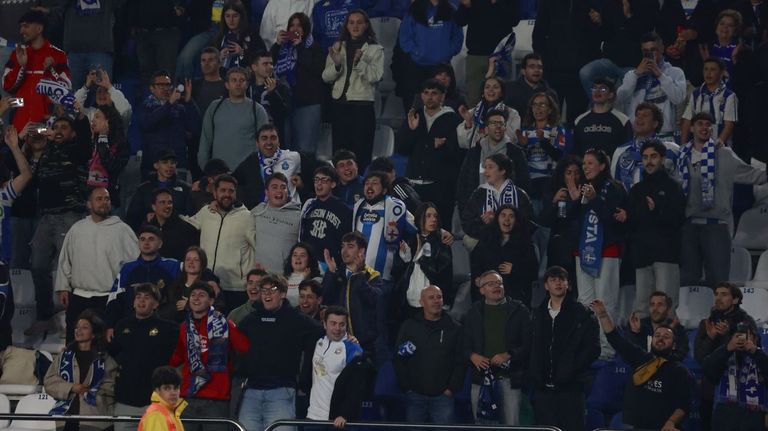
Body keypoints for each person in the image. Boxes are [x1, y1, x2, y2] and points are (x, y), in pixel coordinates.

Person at [678, 113, 766, 287]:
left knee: (718, 280)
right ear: (692, 128)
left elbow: (752, 175)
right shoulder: (681, 156)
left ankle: (720, 315)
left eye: (708, 124)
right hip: (688, 226)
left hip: (716, 225)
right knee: (687, 279)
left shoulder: (724, 154)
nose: (705, 127)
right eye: (700, 124)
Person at [25, 114, 91, 337]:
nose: (59, 130)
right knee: (38, 266)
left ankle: (74, 323)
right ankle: (45, 317)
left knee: (70, 271)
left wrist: (78, 117)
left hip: (69, 215)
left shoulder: (78, 150)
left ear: (73, 133)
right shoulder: (47, 152)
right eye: (57, 127)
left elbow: (85, 140)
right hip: (46, 218)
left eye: (65, 127)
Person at [236, 274, 324, 431]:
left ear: (283, 293)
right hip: (251, 392)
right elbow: (234, 339)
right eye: (264, 290)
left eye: (272, 290)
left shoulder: (296, 319)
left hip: (282, 392)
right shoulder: (251, 319)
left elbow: (322, 332)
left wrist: (348, 337)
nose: (267, 294)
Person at [591, 299, 693, 431]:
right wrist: (603, 315)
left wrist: (671, 423)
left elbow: (684, 405)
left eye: (666, 337)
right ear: (652, 341)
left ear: (674, 346)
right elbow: (615, 339)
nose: (660, 338)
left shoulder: (680, 371)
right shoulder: (640, 358)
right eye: (657, 335)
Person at [55, 188, 138, 342]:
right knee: (73, 342)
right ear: (89, 204)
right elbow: (65, 260)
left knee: (106, 343)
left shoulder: (122, 230)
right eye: (99, 199)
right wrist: (63, 287)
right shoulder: (77, 229)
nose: (104, 202)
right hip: (80, 297)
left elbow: (134, 263)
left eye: (106, 199)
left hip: (109, 298)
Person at [168, 281, 249, 431]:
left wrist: (227, 325)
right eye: (193, 295)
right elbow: (177, 357)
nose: (196, 298)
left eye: (201, 295)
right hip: (188, 396)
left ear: (211, 301)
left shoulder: (223, 324)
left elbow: (244, 347)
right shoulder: (184, 327)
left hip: (216, 398)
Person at [614, 140, 685, 310]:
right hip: (642, 256)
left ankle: (667, 337)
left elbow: (678, 220)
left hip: (666, 255)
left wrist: (656, 210)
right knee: (643, 307)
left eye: (653, 157)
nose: (649, 161)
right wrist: (626, 218)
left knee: (665, 307)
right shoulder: (637, 190)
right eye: (645, 157)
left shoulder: (673, 187)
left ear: (662, 159)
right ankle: (644, 338)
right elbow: (632, 223)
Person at [530, 266, 600, 431]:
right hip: (543, 390)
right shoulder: (537, 314)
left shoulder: (582, 314)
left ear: (568, 284)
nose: (558, 283)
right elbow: (531, 347)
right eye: (553, 280)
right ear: (546, 286)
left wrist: (571, 369)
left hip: (571, 390)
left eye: (562, 279)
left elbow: (593, 348)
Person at [572, 149, 627, 358]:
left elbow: (613, 220)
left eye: (590, 163)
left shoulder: (614, 188)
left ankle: (606, 350)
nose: (585, 166)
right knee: (584, 302)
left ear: (603, 166)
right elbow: (571, 220)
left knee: (605, 301)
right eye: (583, 163)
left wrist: (594, 200)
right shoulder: (582, 188)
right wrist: (575, 200)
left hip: (607, 251)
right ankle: (587, 347)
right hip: (582, 251)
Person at [462, 270, 531, 425]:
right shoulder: (473, 313)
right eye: (491, 283)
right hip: (480, 380)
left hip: (509, 379)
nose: (496, 286)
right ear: (481, 290)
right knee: (481, 426)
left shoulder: (519, 311)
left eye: (499, 282)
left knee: (512, 425)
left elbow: (529, 343)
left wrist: (508, 355)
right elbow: (463, 344)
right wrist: (473, 356)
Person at [109, 284, 179, 431]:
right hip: (125, 400)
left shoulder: (169, 329)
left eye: (147, 297)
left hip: (156, 400)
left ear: (156, 304)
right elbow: (113, 355)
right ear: (133, 302)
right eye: (138, 297)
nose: (142, 301)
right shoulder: (122, 326)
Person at [184, 175, 256, 313]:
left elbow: (258, 246)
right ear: (215, 192)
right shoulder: (206, 212)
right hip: (207, 285)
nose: (227, 195)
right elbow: (188, 224)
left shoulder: (247, 217)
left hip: (235, 288)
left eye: (231, 191)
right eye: (223, 190)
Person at [322, 9, 384, 170]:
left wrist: (360, 63)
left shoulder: (375, 49)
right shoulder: (337, 46)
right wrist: (336, 65)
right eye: (351, 22)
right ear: (346, 26)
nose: (355, 26)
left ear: (366, 25)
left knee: (361, 154)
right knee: (339, 153)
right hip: (339, 107)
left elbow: (375, 76)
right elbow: (326, 77)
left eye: (359, 22)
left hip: (361, 108)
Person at [396, 79, 462, 227]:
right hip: (414, 186)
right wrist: (411, 130)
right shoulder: (414, 116)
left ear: (443, 96)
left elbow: (457, 153)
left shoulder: (453, 119)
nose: (430, 97)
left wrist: (441, 146)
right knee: (413, 230)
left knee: (441, 230)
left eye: (434, 93)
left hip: (441, 188)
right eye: (426, 93)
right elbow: (401, 148)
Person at [394, 285, 465, 424]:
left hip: (443, 398)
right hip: (414, 396)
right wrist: (406, 388)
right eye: (431, 297)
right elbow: (398, 358)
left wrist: (451, 389)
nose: (436, 301)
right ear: (421, 302)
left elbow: (461, 361)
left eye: (439, 297)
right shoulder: (409, 326)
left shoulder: (454, 328)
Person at [694, 282, 755, 431]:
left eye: (724, 294)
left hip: (736, 388)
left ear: (735, 300)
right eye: (716, 294)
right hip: (710, 386)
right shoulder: (707, 323)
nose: (718, 298)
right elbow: (700, 357)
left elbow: (747, 354)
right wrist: (711, 338)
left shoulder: (746, 322)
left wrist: (727, 335)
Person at [44, 310, 117, 431]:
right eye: (77, 327)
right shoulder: (64, 356)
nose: (79, 330)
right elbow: (49, 382)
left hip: (94, 418)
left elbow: (111, 385)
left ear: (93, 334)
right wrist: (72, 387)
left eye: (84, 327)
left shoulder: (104, 358)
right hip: (66, 418)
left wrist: (94, 393)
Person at [104, 225, 183, 330]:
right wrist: (110, 326)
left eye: (151, 239)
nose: (146, 243)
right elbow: (114, 299)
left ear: (160, 244)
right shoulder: (127, 268)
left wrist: (211, 281)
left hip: (163, 325)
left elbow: (198, 268)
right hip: (131, 325)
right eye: (142, 239)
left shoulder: (173, 266)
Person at [3, 10, 71, 131]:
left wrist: (51, 70)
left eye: (26, 26)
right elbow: (7, 86)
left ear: (39, 28)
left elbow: (66, 89)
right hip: (19, 127)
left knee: (41, 145)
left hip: (44, 128)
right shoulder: (17, 54)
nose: (21, 31)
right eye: (21, 27)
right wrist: (21, 66)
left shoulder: (59, 55)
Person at [306, 306, 372, 426]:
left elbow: (357, 386)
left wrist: (345, 414)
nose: (337, 328)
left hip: (336, 420)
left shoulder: (353, 349)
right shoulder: (318, 341)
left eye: (342, 324)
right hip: (312, 416)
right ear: (325, 324)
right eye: (333, 323)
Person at [455, 109, 529, 215]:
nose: (498, 126)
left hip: (506, 215)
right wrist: (466, 211)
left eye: (501, 123)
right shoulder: (474, 153)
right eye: (493, 123)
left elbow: (524, 183)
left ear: (505, 127)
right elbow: (463, 184)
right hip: (477, 213)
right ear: (486, 128)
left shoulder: (515, 153)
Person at [322, 232, 383, 358]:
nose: (344, 251)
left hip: (364, 344)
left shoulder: (373, 276)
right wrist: (331, 273)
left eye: (350, 246)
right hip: (337, 340)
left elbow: (373, 300)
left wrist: (359, 275)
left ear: (361, 251)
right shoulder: (336, 273)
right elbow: (326, 298)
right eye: (343, 246)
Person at [394, 0, 463, 112]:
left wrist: (448, 52)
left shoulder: (451, 10)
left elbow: (457, 36)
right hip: (417, 66)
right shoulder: (414, 9)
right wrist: (416, 52)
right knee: (414, 106)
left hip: (441, 66)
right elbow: (405, 36)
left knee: (442, 105)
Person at [616, 32, 687, 138]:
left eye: (653, 50)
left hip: (664, 134)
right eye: (646, 51)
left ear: (662, 49)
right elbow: (620, 98)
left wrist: (660, 74)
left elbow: (678, 99)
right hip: (637, 134)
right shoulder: (632, 75)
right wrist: (636, 75)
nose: (650, 54)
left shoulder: (674, 72)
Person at [198, 67, 270, 171]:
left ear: (247, 84)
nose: (238, 84)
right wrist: (205, 167)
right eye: (234, 80)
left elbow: (265, 143)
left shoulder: (257, 110)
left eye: (241, 80)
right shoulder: (215, 107)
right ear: (227, 85)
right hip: (219, 172)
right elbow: (206, 139)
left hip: (248, 173)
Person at [702, 318, 768, 431]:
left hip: (754, 420)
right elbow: (708, 371)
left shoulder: (762, 355)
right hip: (725, 418)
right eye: (737, 335)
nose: (741, 339)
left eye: (746, 335)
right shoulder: (723, 354)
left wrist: (754, 351)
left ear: (755, 338)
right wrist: (727, 349)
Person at [391, 202, 452, 321]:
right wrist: (405, 258)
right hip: (408, 303)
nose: (433, 219)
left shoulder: (442, 243)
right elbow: (397, 272)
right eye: (428, 216)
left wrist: (420, 258)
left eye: (435, 216)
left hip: (431, 304)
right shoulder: (410, 240)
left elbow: (443, 275)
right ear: (419, 218)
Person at [353, 171, 418, 282]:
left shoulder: (395, 207)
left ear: (384, 189)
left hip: (383, 278)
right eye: (367, 183)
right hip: (357, 275)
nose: (369, 186)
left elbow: (418, 226)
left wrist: (441, 232)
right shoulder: (358, 206)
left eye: (374, 183)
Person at [274, 12, 326, 152]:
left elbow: (317, 69)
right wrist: (277, 44)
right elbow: (269, 64)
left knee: (305, 149)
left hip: (308, 104)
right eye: (292, 25)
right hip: (286, 104)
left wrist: (299, 47)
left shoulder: (314, 48)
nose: (295, 29)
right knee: (286, 149)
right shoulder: (283, 48)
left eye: (299, 25)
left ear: (306, 28)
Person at [453, 0, 520, 107]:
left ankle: (500, 123)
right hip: (476, 56)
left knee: (501, 101)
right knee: (474, 101)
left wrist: (499, 3)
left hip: (500, 56)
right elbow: (460, 20)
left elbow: (515, 20)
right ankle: (474, 123)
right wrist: (466, 6)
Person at [136, 70, 199, 179]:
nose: (166, 88)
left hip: (177, 165)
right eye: (160, 85)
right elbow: (147, 124)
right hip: (153, 167)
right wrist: (169, 104)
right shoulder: (145, 107)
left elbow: (195, 129)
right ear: (152, 88)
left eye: (168, 85)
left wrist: (189, 102)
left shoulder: (180, 108)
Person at [461, 154, 532, 248]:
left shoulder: (519, 195)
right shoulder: (479, 194)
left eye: (490, 167)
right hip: (485, 238)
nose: (486, 172)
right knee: (469, 240)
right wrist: (483, 221)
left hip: (513, 241)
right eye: (485, 168)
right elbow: (466, 222)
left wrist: (497, 221)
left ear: (502, 171)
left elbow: (528, 225)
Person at [471, 205, 537, 306]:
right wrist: (477, 277)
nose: (507, 219)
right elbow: (475, 261)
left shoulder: (525, 243)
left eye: (511, 216)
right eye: (503, 215)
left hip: (514, 294)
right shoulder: (487, 239)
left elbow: (533, 272)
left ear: (516, 221)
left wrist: (515, 269)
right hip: (488, 293)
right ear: (497, 219)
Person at [610, 102, 680, 193]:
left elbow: (680, 182)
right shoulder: (621, 151)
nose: (639, 118)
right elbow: (614, 185)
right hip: (628, 205)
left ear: (655, 123)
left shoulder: (671, 150)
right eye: (637, 115)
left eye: (645, 115)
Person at [516, 91, 568, 210]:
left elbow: (560, 157)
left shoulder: (557, 130)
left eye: (542, 105)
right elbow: (520, 162)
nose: (538, 108)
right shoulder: (525, 132)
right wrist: (522, 146)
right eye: (534, 105)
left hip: (550, 183)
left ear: (550, 109)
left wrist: (544, 142)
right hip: (529, 184)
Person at [232, 124, 302, 208]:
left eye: (273, 138)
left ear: (278, 141)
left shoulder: (294, 157)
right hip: (261, 214)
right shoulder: (250, 162)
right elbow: (232, 182)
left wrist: (302, 184)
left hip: (290, 211)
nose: (269, 142)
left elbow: (311, 178)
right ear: (257, 143)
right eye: (264, 138)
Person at [539, 156, 583, 288]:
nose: (573, 177)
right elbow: (544, 220)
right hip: (558, 247)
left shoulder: (586, 191)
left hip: (578, 247)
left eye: (576, 173)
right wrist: (554, 202)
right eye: (569, 173)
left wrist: (576, 201)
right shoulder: (554, 190)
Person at [299, 165, 353, 270]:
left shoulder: (343, 209)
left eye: (324, 180)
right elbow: (303, 235)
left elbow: (345, 241)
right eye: (316, 180)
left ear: (333, 184)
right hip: (308, 263)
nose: (319, 183)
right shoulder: (309, 205)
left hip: (329, 265)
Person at [127, 148, 192, 231]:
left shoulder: (185, 188)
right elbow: (132, 217)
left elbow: (191, 215)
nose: (169, 166)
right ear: (156, 165)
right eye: (165, 162)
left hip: (177, 234)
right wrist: (145, 219)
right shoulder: (143, 189)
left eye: (172, 163)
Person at [252, 173, 302, 273]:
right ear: (266, 192)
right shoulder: (257, 210)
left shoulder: (299, 215)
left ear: (287, 192)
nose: (279, 191)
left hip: (284, 277)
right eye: (274, 187)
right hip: (259, 275)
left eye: (283, 187)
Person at [680, 58, 738, 146]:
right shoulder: (696, 94)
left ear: (721, 73)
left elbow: (729, 125)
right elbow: (687, 121)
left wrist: (717, 146)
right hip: (697, 145)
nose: (708, 73)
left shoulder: (729, 96)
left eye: (713, 69)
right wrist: (682, 146)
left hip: (720, 146)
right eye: (706, 69)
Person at [572, 77, 632, 157]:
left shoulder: (623, 120)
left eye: (603, 89)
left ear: (611, 95)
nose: (597, 91)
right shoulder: (580, 120)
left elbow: (627, 150)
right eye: (594, 88)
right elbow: (575, 151)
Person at [456, 76, 521, 150]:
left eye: (495, 87)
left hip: (501, 156)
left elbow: (513, 140)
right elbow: (463, 143)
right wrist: (468, 123)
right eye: (487, 87)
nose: (491, 90)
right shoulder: (473, 113)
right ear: (483, 93)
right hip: (478, 157)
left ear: (501, 93)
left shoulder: (511, 113)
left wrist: (497, 127)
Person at [128, 0, 182, 85]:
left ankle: (169, 98)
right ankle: (149, 98)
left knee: (166, 74)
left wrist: (181, 7)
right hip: (142, 32)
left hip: (166, 31)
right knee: (146, 74)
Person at [161, 247, 221, 323]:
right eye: (188, 259)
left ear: (202, 264)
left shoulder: (210, 287)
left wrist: (191, 305)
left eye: (196, 260)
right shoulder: (174, 286)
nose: (191, 262)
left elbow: (218, 310)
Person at [625, 291, 689, 362]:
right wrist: (635, 333)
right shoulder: (638, 325)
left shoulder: (677, 329)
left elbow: (680, 355)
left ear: (668, 310)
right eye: (652, 304)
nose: (655, 308)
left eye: (660, 305)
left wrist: (670, 331)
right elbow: (630, 353)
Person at [87, 104, 129, 207]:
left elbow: (112, 166)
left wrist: (103, 138)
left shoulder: (122, 145)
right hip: (90, 199)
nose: (93, 121)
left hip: (110, 200)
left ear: (108, 121)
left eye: (97, 117)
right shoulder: (93, 142)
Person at [144, 188, 200, 261]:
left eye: (169, 202)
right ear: (154, 207)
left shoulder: (187, 230)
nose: (167, 206)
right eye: (162, 202)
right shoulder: (147, 228)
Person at [247, 50, 291, 142]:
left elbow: (285, 112)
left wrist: (273, 93)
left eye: (271, 63)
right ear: (254, 67)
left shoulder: (281, 86)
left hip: (272, 137)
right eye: (265, 64)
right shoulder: (246, 87)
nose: (270, 67)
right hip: (249, 134)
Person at [214, 2, 266, 72]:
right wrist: (219, 57)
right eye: (227, 16)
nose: (231, 20)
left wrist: (242, 53)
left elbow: (262, 58)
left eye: (235, 16)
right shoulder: (220, 37)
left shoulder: (252, 35)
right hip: (224, 78)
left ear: (241, 16)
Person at [504, 53, 558, 118]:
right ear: (523, 71)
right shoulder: (509, 88)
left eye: (539, 67)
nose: (537, 70)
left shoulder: (550, 93)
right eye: (532, 67)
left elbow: (555, 118)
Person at [137, 366, 187, 431]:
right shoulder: (157, 415)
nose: (173, 393)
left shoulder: (169, 412)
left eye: (176, 388)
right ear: (157, 390)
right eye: (167, 388)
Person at [191, 47, 228, 114]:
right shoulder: (193, 86)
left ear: (219, 63)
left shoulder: (227, 87)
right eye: (203, 60)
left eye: (210, 60)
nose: (206, 64)